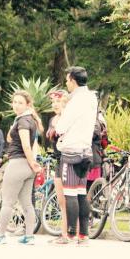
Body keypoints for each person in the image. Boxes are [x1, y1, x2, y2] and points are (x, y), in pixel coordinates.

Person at [0, 91, 41, 244]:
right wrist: (32, 165)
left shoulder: (23, 121)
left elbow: (26, 145)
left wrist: (33, 162)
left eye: (20, 102)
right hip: (27, 167)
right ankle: (29, 236)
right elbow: (9, 138)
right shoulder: (28, 119)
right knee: (27, 203)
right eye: (15, 102)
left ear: (27, 104)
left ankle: (0, 236)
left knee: (7, 202)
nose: (16, 105)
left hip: (18, 163)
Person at [54, 66, 97, 245]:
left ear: (72, 80)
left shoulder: (76, 100)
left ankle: (70, 234)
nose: (66, 83)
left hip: (71, 151)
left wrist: (59, 126)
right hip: (86, 151)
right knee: (81, 193)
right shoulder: (92, 97)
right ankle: (84, 235)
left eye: (67, 80)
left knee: (70, 193)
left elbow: (61, 127)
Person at [45, 90, 70, 243]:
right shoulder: (53, 119)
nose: (55, 104)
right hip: (58, 160)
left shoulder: (69, 120)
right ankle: (64, 233)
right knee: (61, 200)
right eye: (53, 102)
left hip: (69, 159)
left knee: (70, 199)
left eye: (58, 102)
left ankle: (69, 234)